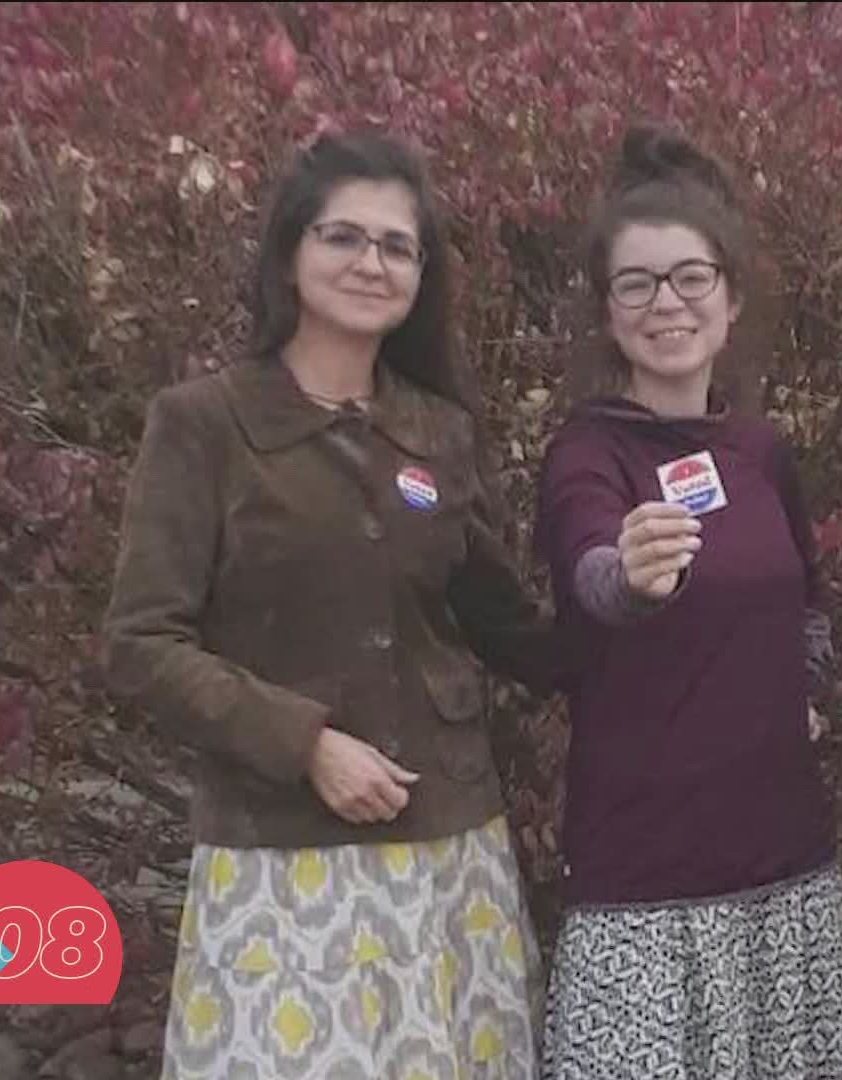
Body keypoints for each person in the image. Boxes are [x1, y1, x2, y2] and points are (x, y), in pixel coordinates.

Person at [102, 130, 561, 1080]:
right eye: (342, 236)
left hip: (448, 853)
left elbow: (507, 627)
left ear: (422, 274)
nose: (371, 262)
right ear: (290, 254)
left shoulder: (438, 431)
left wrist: (641, 601)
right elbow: (142, 642)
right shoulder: (203, 424)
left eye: (397, 245)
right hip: (284, 856)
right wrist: (303, 744)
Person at [530, 125, 842, 1080]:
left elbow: (804, 599)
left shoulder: (762, 454)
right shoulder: (588, 456)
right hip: (644, 875)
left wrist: (797, 691)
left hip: (781, 855)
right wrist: (633, 577)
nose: (665, 302)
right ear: (607, 312)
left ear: (730, 300)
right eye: (636, 283)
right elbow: (593, 572)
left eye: (690, 277)